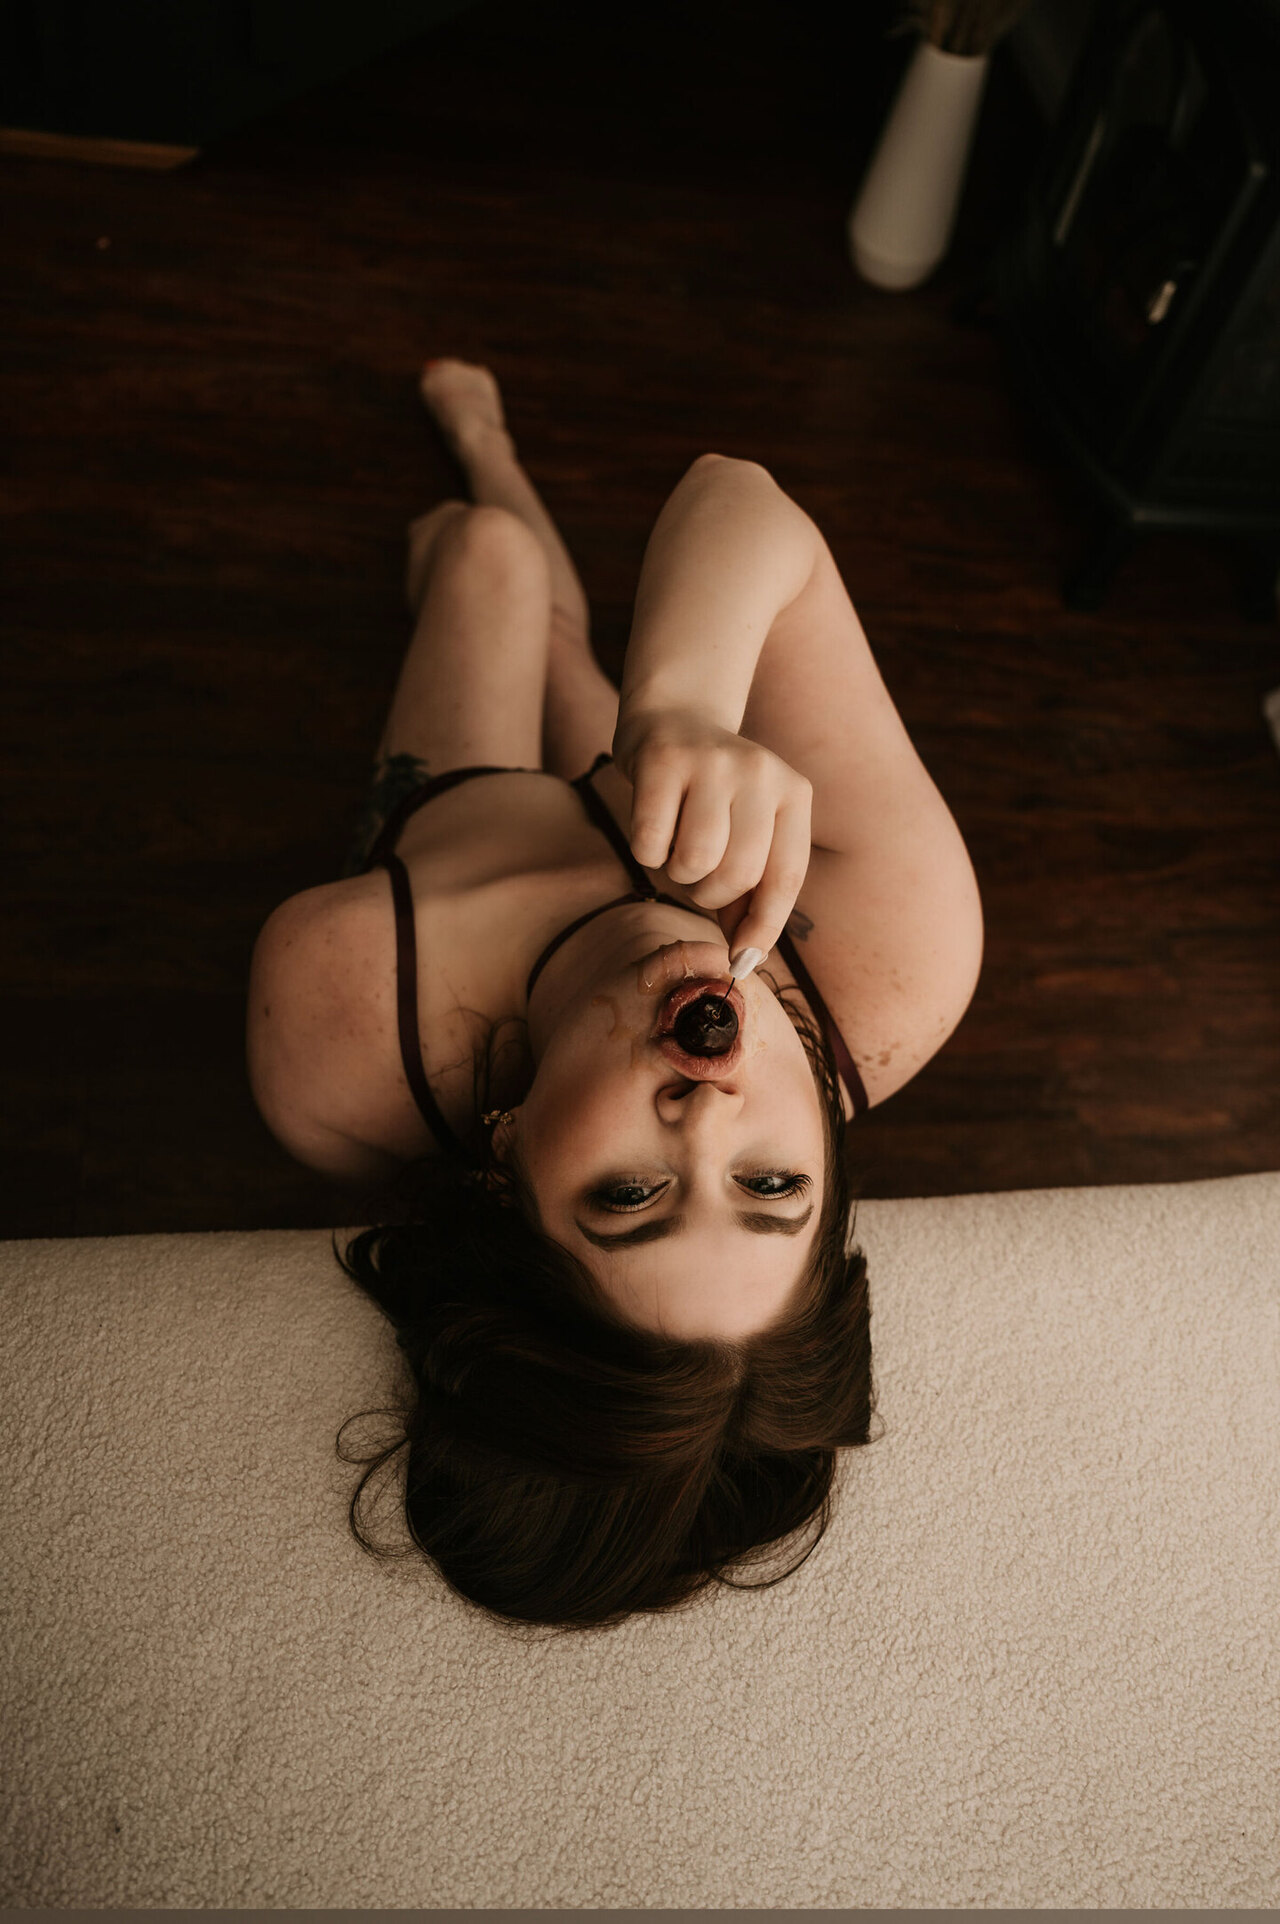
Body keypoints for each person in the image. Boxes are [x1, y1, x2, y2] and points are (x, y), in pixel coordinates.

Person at [245, 360, 984, 1635]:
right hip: (622, 780)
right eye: (770, 1183)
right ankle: (498, 461)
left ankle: (482, 499)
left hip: (458, 823)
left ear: (502, 1164)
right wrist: (682, 704)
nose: (706, 1116)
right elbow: (737, 498)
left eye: (629, 1194)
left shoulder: (350, 1020)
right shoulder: (898, 948)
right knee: (585, 667)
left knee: (485, 559)